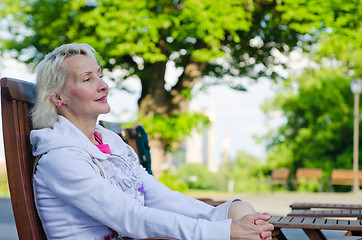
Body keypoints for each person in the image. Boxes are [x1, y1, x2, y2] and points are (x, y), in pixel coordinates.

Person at [30, 43, 274, 240]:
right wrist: (224, 231)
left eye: (100, 76)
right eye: (87, 79)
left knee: (240, 210)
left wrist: (221, 218)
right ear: (58, 96)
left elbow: (157, 195)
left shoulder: (109, 142)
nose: (104, 86)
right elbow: (130, 218)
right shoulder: (61, 158)